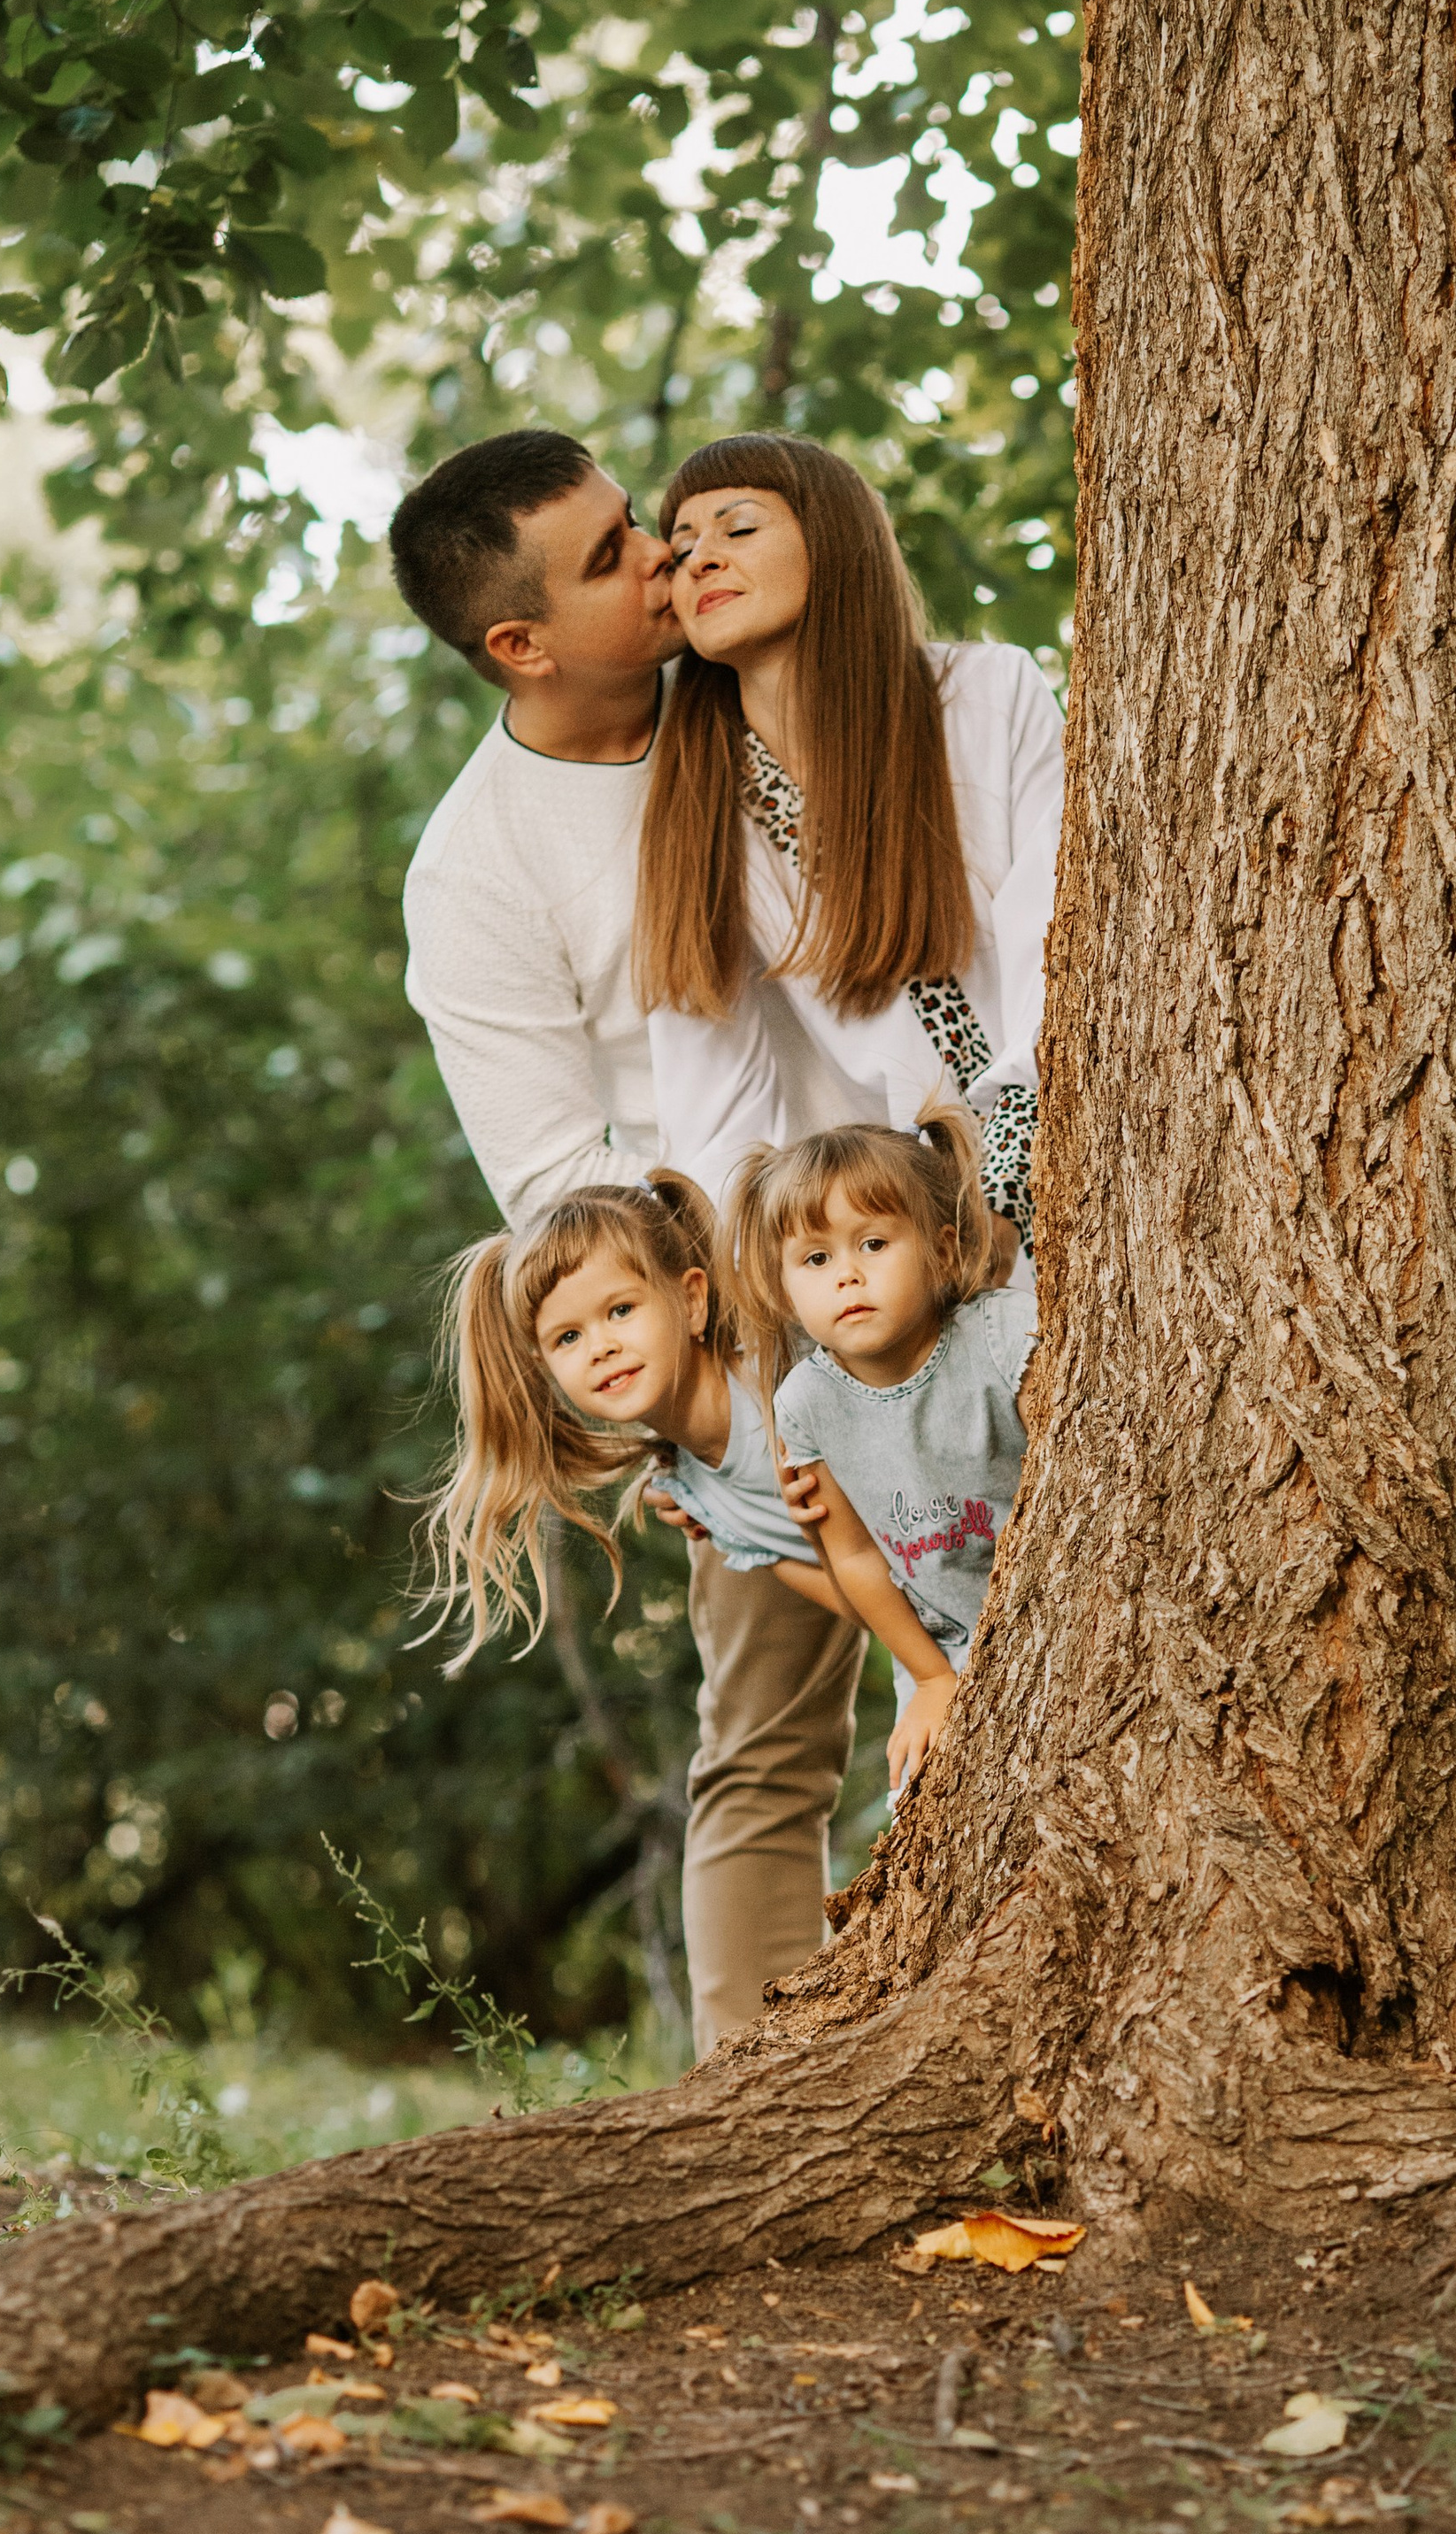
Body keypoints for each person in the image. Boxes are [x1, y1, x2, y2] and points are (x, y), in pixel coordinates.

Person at [389, 430, 863, 2055]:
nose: (664, 556)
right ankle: (757, 2097)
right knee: (771, 1739)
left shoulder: (751, 685)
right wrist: (734, 1346)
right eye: (610, 558)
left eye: (635, 521)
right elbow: (555, 1186)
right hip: (748, 1333)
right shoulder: (479, 873)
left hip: (967, 1239)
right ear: (520, 644)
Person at [636, 435, 1064, 1259]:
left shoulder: (987, 694)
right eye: (681, 549)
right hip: (904, 1252)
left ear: (833, 538)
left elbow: (1061, 949)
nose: (700, 560)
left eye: (738, 528)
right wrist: (771, 1289)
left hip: (1086, 1152)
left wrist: (1006, 1189)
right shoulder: (700, 808)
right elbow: (712, 1116)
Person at [728, 1111, 1038, 1798]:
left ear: (941, 1251)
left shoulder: (1002, 1333)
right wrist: (930, 1679)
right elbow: (857, 1556)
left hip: (1055, 1599)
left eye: (872, 1243)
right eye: (816, 1259)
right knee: (924, 1802)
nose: (847, 1275)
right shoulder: (804, 1403)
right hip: (941, 1644)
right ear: (784, 1288)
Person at [416, 1174, 836, 1663]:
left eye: (620, 1310)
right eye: (568, 1338)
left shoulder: (796, 1385)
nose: (600, 1348)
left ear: (691, 1301)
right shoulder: (694, 1497)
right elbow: (864, 1602)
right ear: (544, 1367)